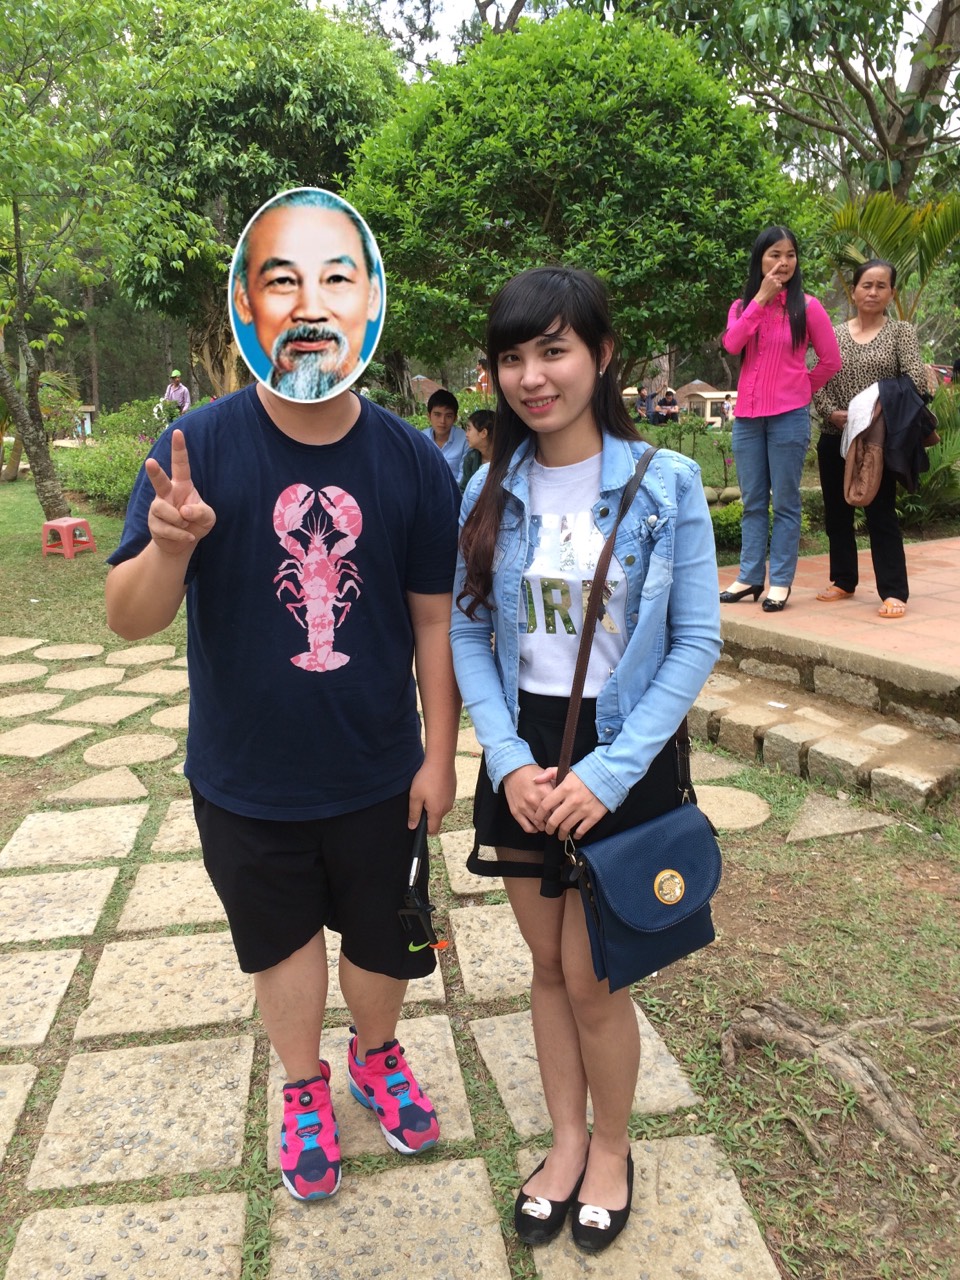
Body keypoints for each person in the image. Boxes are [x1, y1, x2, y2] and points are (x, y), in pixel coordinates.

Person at [105, 312, 462, 1202]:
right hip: (246, 773)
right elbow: (127, 617)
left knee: (385, 938)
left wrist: (441, 754)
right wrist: (171, 548)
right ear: (252, 308)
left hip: (381, 769)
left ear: (366, 306)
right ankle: (304, 1086)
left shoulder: (411, 458)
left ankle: (376, 1056)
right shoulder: (195, 448)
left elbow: (434, 620)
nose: (309, 312)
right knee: (282, 941)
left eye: (334, 281)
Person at [449, 267, 721, 1254]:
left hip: (623, 747)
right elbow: (469, 634)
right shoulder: (487, 488)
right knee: (545, 967)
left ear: (601, 356)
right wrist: (505, 758)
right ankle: (565, 1142)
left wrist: (608, 773)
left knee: (595, 973)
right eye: (512, 357)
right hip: (525, 747)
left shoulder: (666, 483)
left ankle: (612, 1147)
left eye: (554, 350)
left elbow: (695, 641)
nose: (532, 376)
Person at [719, 225, 841, 611]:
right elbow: (732, 344)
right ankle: (750, 577)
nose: (783, 262)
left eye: (790, 254)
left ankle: (781, 582)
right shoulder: (741, 306)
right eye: (775, 254)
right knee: (753, 501)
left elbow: (831, 360)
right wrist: (761, 299)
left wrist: (800, 388)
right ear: (760, 259)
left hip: (789, 417)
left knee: (786, 502)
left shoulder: (808, 307)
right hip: (747, 419)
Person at [812, 259, 928, 619]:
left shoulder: (900, 332)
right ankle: (844, 579)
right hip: (835, 434)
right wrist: (830, 411)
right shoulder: (833, 333)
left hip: (877, 439)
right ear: (853, 291)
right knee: (837, 513)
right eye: (866, 285)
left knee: (880, 514)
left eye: (881, 286)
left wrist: (875, 407)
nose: (873, 292)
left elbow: (915, 381)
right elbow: (816, 378)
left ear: (892, 293)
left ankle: (893, 590)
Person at [232, 189, 383, 402]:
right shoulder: (207, 425)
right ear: (243, 301)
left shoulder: (396, 427)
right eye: (283, 280)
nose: (311, 312)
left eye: (336, 278)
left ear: (372, 298)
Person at [425, 388, 468, 484]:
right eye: (437, 415)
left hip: (455, 492)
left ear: (455, 418)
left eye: (448, 416)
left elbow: (463, 478)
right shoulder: (421, 438)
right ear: (429, 416)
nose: (442, 421)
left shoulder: (465, 440)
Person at [459, 408, 494, 493]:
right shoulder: (471, 459)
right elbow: (464, 490)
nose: (466, 434)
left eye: (469, 429)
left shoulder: (507, 459)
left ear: (483, 433)